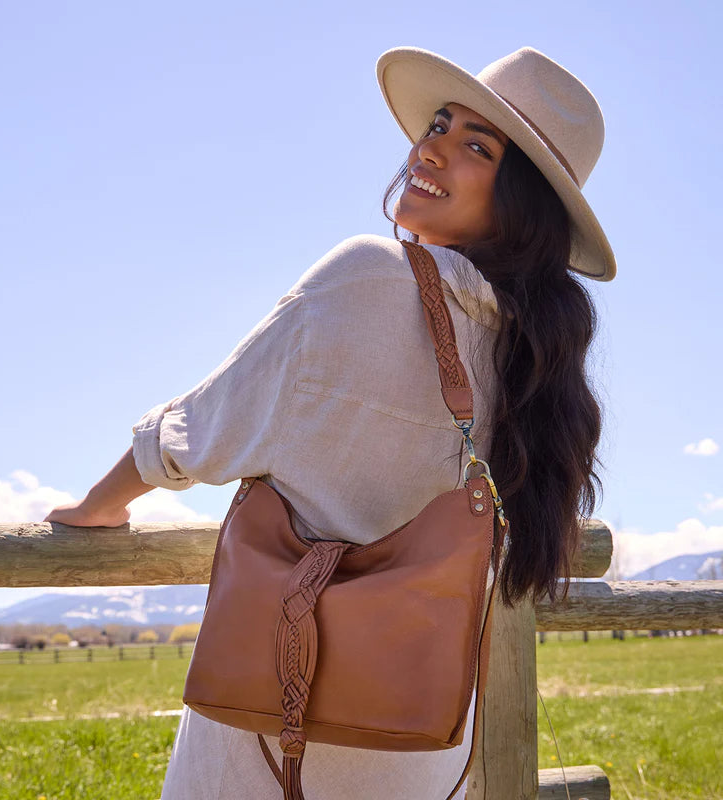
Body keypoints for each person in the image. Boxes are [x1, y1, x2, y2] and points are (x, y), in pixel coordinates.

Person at [46, 45, 615, 800]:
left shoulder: (370, 276)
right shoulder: (540, 362)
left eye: (477, 147)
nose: (431, 148)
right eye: (439, 125)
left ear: (523, 205)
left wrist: (99, 504)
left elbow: (199, 429)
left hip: (272, 729)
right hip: (421, 744)